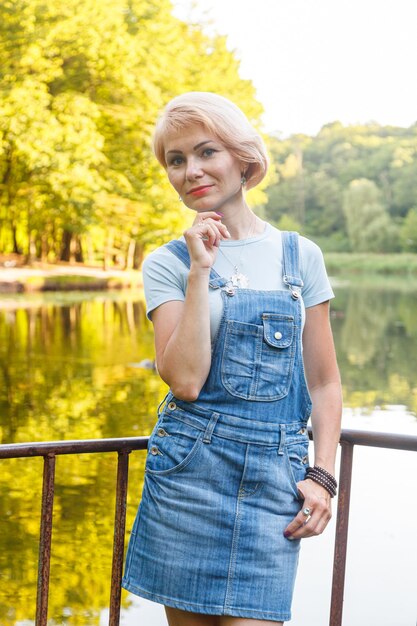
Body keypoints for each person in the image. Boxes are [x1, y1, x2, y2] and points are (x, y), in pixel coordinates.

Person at [122, 92, 342, 626]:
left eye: (206, 152)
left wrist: (324, 477)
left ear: (243, 159)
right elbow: (186, 382)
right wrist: (201, 269)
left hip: (275, 485)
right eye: (176, 161)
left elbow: (325, 382)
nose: (191, 171)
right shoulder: (167, 264)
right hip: (189, 481)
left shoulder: (301, 255)